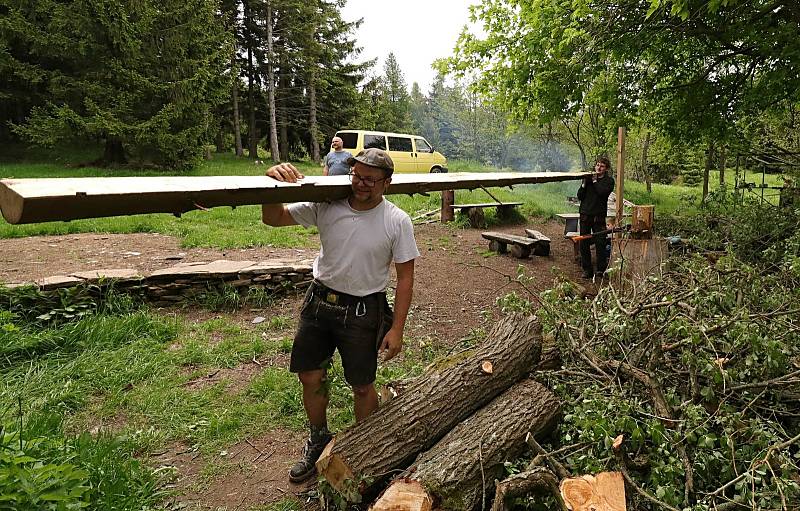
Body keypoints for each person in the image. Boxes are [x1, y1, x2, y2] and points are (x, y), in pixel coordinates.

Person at [261, 148, 419, 483]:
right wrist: (271, 186)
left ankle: (364, 450)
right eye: (358, 176)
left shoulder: (396, 221)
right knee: (310, 376)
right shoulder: (327, 205)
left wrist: (398, 329)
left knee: (362, 387)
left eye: (371, 180)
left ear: (387, 183)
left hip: (364, 311)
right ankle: (318, 438)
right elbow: (274, 218)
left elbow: (406, 277)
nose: (362, 185)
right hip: (319, 303)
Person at [577, 157, 615, 279]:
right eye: (597, 165)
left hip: (598, 217)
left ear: (606, 169)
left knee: (600, 243)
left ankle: (600, 269)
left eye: (602, 166)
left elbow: (602, 192)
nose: (598, 168)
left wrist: (594, 181)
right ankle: (587, 270)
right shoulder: (588, 180)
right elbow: (580, 196)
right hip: (585, 215)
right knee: (583, 243)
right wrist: (583, 184)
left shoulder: (609, 181)